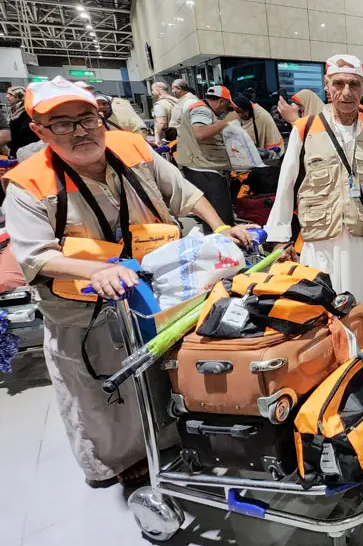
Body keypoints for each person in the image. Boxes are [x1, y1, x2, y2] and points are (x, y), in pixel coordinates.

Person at [1, 76, 257, 486]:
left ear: (101, 117)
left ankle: (168, 441)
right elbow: (36, 255)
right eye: (62, 123)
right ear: (39, 131)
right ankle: (113, 464)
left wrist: (221, 226)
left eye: (85, 118)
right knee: (101, 389)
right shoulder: (29, 184)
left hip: (154, 295)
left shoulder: (133, 148)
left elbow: (186, 194)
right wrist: (95, 270)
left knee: (159, 373)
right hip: (81, 310)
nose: (79, 131)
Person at [265, 54, 363, 324]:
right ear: (327, 86)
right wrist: (281, 240)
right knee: (323, 313)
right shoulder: (304, 129)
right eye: (339, 84)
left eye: (354, 85)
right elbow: (286, 185)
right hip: (320, 242)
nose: (346, 92)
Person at [175, 85, 238, 228]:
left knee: (212, 217)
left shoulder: (203, 110)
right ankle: (222, 248)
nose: (225, 110)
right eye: (227, 105)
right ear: (221, 101)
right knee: (221, 217)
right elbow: (200, 133)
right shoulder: (201, 110)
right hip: (204, 169)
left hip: (201, 167)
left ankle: (216, 246)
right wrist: (226, 122)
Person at [3, 86, 41, 158]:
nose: (7, 96)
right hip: (17, 150)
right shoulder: (16, 110)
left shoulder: (27, 112)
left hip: (25, 152)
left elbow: (25, 134)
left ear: (19, 95)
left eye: (10, 94)